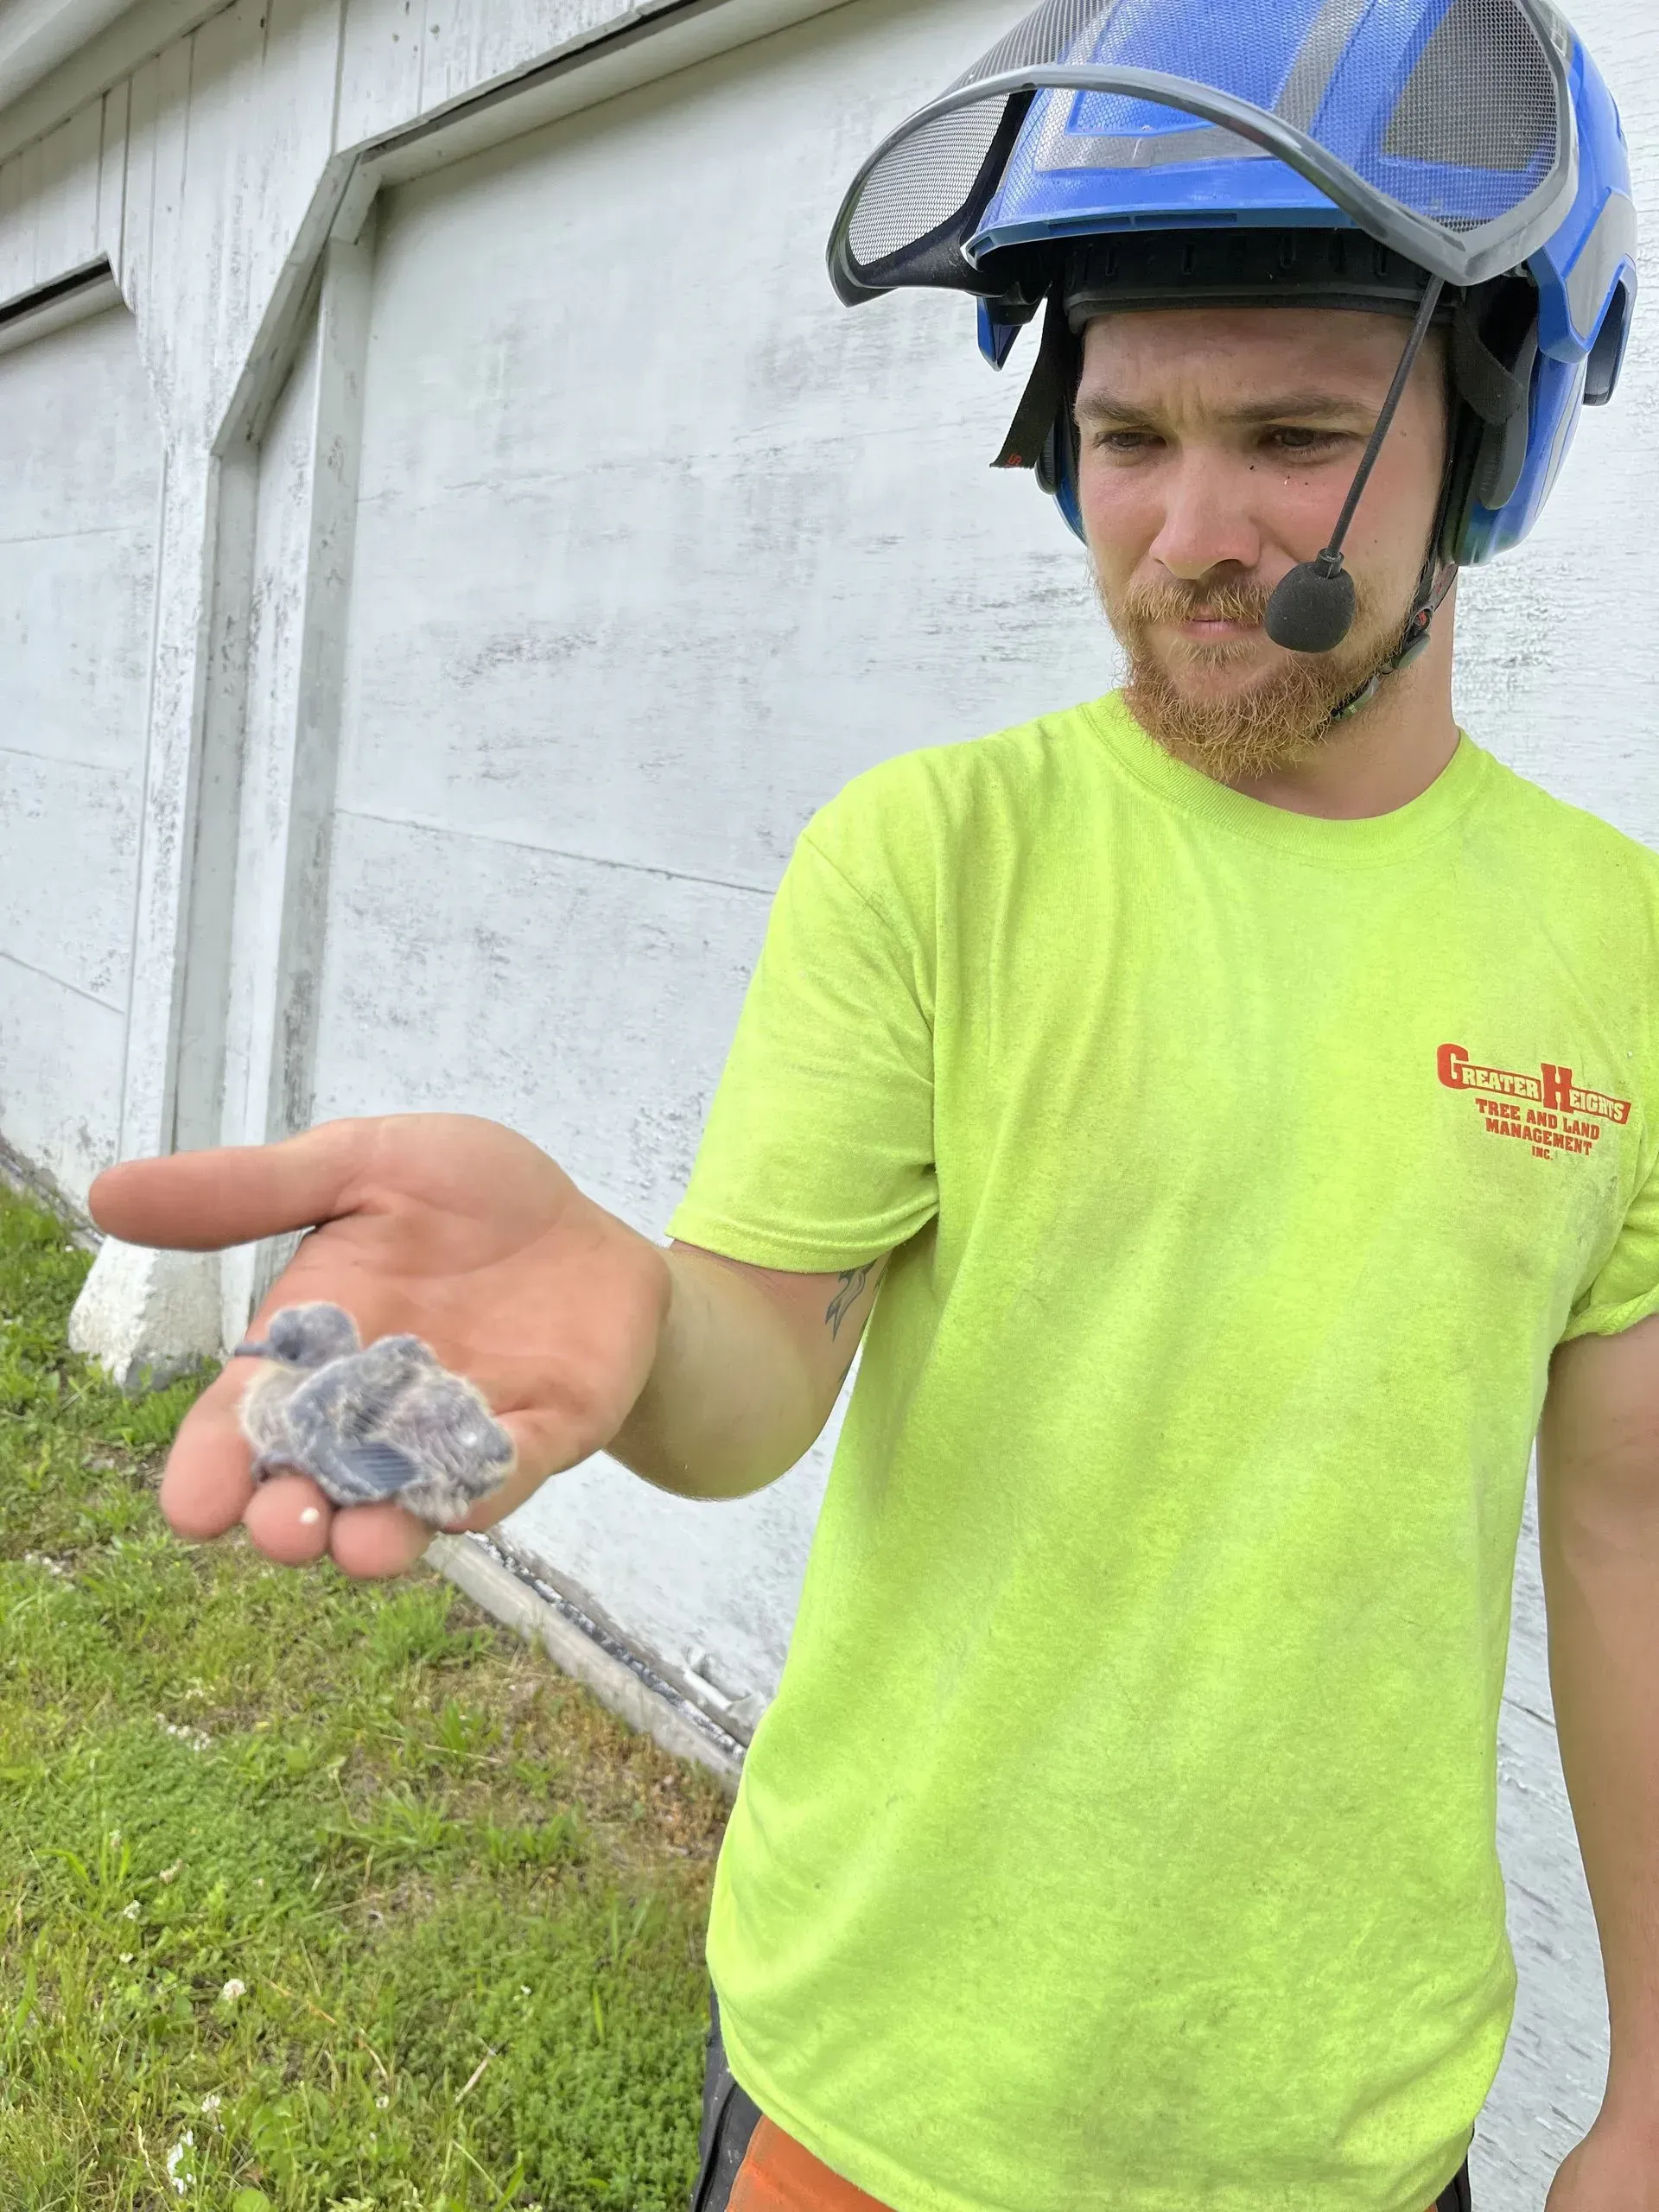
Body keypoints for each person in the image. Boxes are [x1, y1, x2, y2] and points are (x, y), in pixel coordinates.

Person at [87, 2, 1650, 2208]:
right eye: (1127, 439)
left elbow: (1629, 1537)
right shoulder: (932, 859)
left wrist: (1649, 2085)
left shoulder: (1618, 950)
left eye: (1296, 435)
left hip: (1346, 2126)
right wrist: (630, 1311)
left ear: (1490, 433)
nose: (1191, 534)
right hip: (876, 2083)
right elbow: (752, 1378)